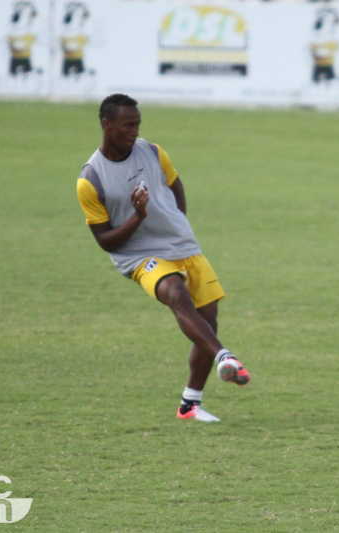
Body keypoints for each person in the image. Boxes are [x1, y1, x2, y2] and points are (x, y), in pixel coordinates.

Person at [76, 94, 250, 422]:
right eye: (128, 125)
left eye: (138, 123)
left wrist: (176, 224)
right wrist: (138, 217)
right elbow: (105, 241)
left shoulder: (153, 152)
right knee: (175, 294)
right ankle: (225, 358)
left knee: (207, 320)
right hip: (139, 255)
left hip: (181, 244)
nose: (135, 130)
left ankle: (189, 406)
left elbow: (176, 187)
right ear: (106, 125)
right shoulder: (90, 179)